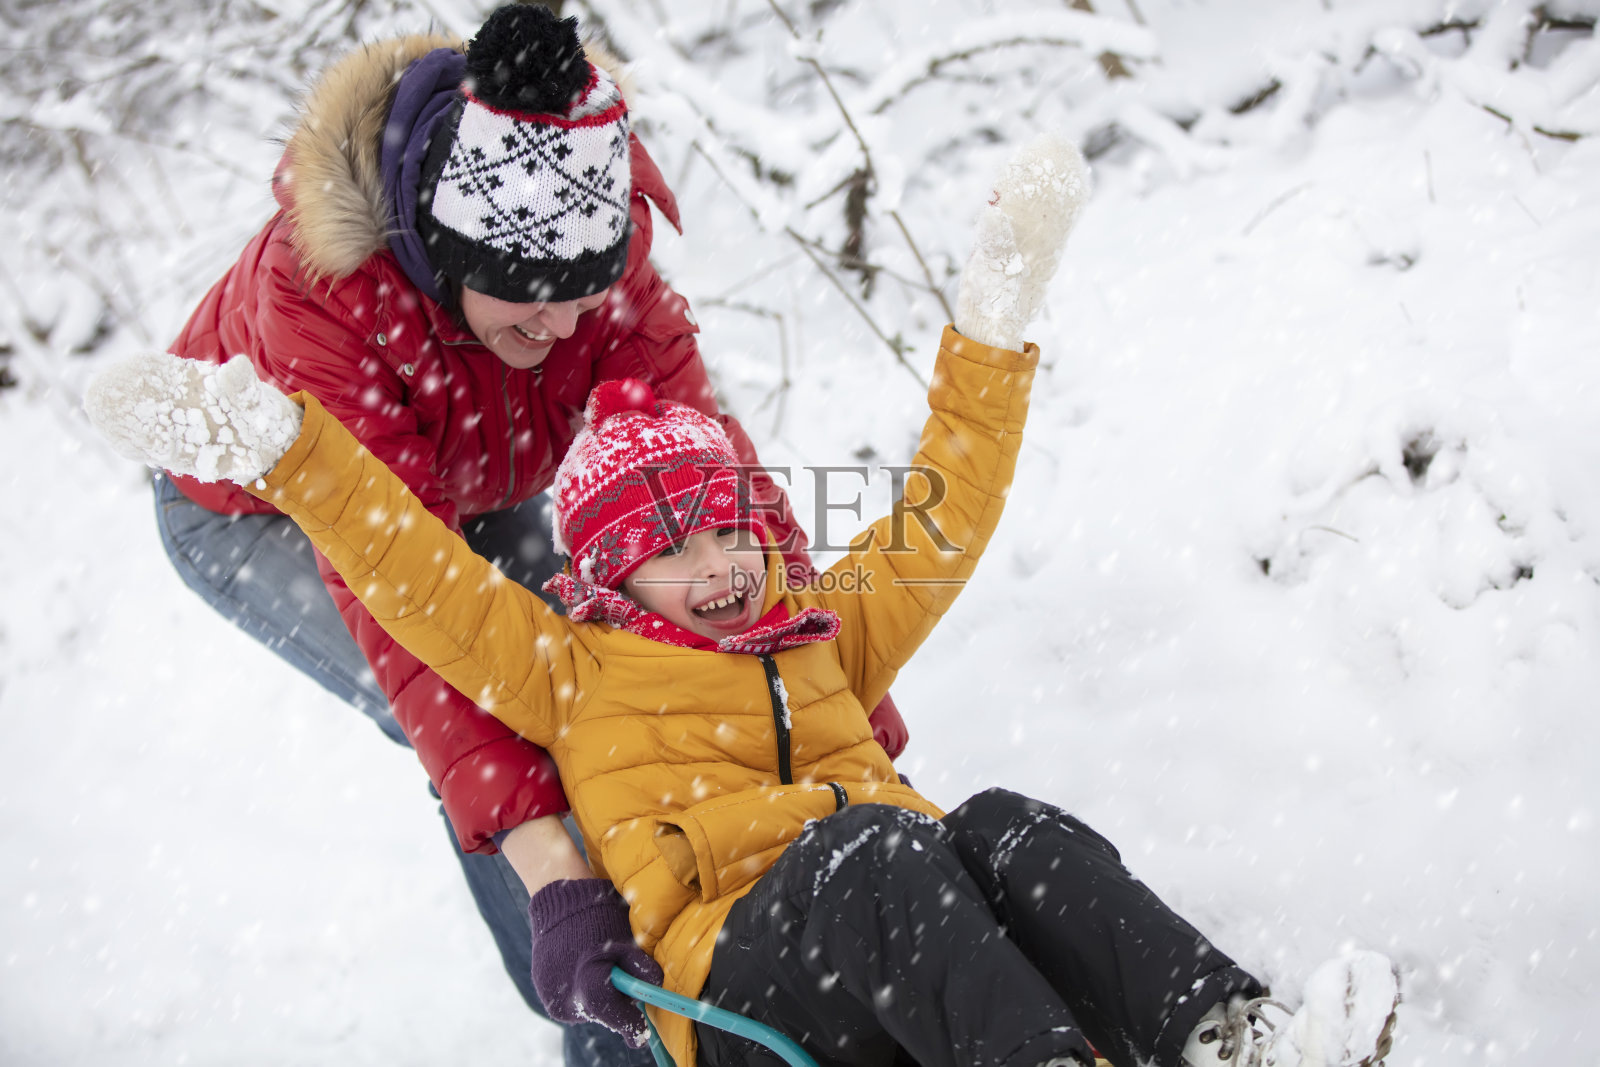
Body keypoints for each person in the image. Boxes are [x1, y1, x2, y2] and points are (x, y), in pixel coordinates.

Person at [88, 136, 1401, 1067]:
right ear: (606, 573)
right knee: (881, 853)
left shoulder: (819, 629)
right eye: (673, 545)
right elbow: (406, 569)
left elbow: (945, 506)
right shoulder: (567, 668)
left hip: (884, 935)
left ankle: (1235, 1033)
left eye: (726, 523)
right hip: (740, 986)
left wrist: (992, 325)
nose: (718, 559)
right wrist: (283, 451)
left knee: (1002, 826)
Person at [147, 6, 908, 1064]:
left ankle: (743, 937)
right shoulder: (321, 297)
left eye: (579, 303)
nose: (559, 332)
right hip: (262, 506)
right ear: (441, 247)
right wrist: (555, 872)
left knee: (623, 675)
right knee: (508, 711)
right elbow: (407, 609)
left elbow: (709, 476)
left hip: (469, 475)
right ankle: (611, 1015)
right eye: (525, 307)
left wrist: (820, 672)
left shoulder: (595, 247)